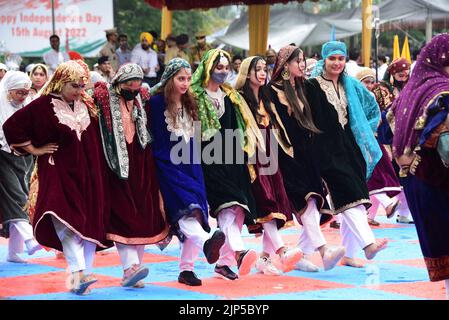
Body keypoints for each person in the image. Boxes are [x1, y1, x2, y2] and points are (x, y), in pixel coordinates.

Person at [2, 61, 112, 295]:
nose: (79, 90)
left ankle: (80, 277)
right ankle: (78, 273)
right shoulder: (42, 105)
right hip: (57, 172)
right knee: (64, 221)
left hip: (90, 174)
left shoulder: (87, 104)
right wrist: (35, 149)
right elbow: (11, 126)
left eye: (82, 86)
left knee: (89, 223)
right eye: (74, 86)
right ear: (61, 82)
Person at [307, 41, 388, 268]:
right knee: (349, 197)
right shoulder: (312, 85)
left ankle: (348, 255)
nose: (337, 63)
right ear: (324, 60)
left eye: (341, 59)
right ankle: (368, 244)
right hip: (324, 149)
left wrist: (369, 127)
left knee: (358, 200)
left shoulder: (350, 84)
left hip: (350, 148)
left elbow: (373, 105)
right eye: (332, 58)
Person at [148, 58, 226, 286]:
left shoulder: (190, 103)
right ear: (169, 79)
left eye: (188, 79)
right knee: (183, 211)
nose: (185, 83)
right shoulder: (154, 103)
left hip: (192, 167)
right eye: (180, 78)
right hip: (167, 166)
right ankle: (206, 241)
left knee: (196, 213)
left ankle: (187, 269)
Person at [269, 46, 345, 272]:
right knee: (304, 202)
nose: (302, 65)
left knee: (311, 203)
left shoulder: (303, 87)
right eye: (297, 61)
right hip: (284, 154)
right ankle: (323, 250)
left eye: (303, 61)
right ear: (284, 65)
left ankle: (291, 256)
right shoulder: (270, 92)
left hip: (306, 153)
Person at [94, 63, 169, 288]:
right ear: (118, 82)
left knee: (143, 214)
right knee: (122, 213)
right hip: (114, 164)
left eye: (137, 85)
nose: (133, 89)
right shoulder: (103, 96)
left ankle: (135, 269)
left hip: (141, 163)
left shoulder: (142, 97)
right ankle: (130, 267)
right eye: (128, 84)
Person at [191, 49, 263, 280]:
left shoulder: (231, 96)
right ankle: (240, 251)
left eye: (225, 68)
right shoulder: (194, 95)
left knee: (239, 207)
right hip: (207, 159)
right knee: (225, 204)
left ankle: (224, 263)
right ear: (207, 68)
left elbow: (241, 127)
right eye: (218, 67)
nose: (222, 72)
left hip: (233, 158)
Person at [390, 33, 449, 299]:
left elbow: (385, 127)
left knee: (442, 245)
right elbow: (439, 137)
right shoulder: (441, 91)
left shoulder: (409, 92)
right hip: (438, 179)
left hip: (414, 183)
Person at [235, 55, 306, 275]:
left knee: (275, 202)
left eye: (265, 68)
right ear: (247, 73)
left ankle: (264, 259)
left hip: (271, 153)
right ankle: (282, 250)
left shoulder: (266, 97)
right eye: (258, 69)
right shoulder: (238, 99)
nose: (263, 73)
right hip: (252, 155)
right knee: (265, 202)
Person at [0, 71, 42, 263]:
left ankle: (14, 252)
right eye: (19, 93)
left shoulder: (27, 106)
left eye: (26, 92)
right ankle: (29, 238)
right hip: (3, 157)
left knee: (22, 198)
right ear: (8, 91)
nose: (23, 97)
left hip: (25, 159)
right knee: (15, 197)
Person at [355, 68, 402, 226]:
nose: (368, 85)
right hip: (361, 141)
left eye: (370, 82)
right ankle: (387, 204)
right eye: (365, 82)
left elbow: (380, 117)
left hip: (373, 139)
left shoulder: (372, 96)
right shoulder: (353, 97)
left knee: (377, 174)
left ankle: (370, 215)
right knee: (375, 174)